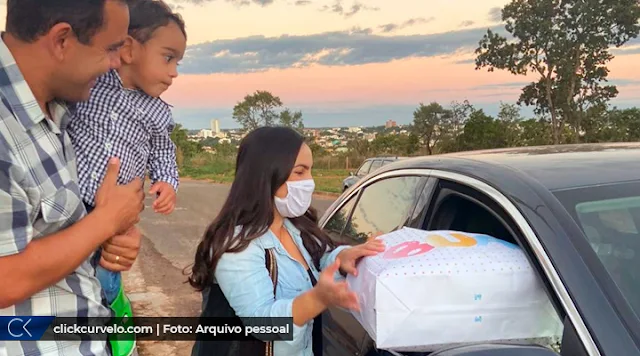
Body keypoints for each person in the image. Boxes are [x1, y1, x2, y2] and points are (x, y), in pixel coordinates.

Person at [0, 0, 145, 355]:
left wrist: (109, 235)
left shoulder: (59, 109)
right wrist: (106, 222)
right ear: (62, 39)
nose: (117, 64)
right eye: (111, 48)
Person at [188, 126, 386, 356]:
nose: (309, 182)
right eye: (300, 172)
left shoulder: (295, 227)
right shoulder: (236, 246)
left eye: (310, 171)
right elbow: (262, 323)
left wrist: (342, 257)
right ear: (267, 174)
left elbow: (320, 257)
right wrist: (318, 298)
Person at [67, 0, 186, 316]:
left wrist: (166, 181)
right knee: (69, 265)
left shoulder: (158, 112)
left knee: (107, 270)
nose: (173, 73)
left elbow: (163, 151)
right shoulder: (93, 81)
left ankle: (105, 310)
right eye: (168, 58)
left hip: (115, 212)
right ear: (129, 50)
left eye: (178, 63)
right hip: (70, 200)